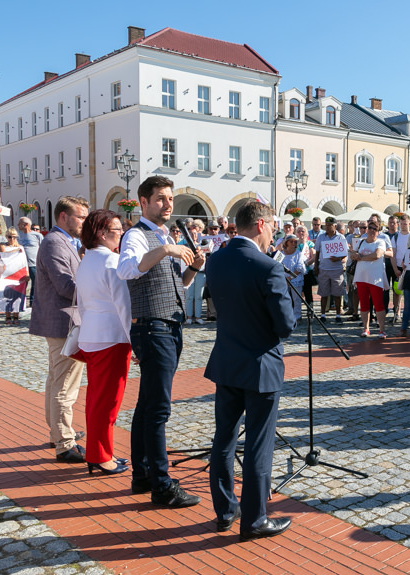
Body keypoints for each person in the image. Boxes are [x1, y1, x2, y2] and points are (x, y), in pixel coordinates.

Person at [206, 200, 295, 540]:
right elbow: (285, 325)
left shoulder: (216, 260)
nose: (274, 230)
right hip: (260, 365)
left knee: (224, 439)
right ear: (260, 225)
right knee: (259, 443)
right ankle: (255, 519)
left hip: (227, 360)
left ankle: (225, 510)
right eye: (272, 224)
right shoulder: (266, 267)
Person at [117, 175, 204, 506]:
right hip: (153, 328)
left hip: (165, 325)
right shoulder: (137, 236)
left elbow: (173, 288)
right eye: (160, 199)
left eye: (170, 199)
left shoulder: (160, 236)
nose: (168, 204)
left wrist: (194, 269)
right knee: (158, 409)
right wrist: (166, 249)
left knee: (147, 404)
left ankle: (142, 474)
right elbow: (127, 270)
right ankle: (162, 484)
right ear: (144, 202)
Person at [28, 196, 90, 461]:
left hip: (63, 321)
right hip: (64, 323)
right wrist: (99, 290)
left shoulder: (67, 242)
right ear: (63, 217)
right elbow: (66, 286)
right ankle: (64, 443)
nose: (85, 223)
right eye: (81, 217)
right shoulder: (55, 242)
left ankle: (58, 433)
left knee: (56, 380)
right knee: (65, 384)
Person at [76, 210, 132, 476]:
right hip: (111, 337)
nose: (120, 233)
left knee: (95, 399)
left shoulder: (86, 260)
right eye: (117, 229)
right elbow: (124, 306)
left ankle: (99, 452)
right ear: (101, 232)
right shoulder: (112, 261)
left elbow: (83, 302)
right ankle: (100, 456)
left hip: (92, 334)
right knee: (107, 402)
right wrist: (136, 342)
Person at [350, 220, 388, 338]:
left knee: (378, 304)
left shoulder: (381, 242)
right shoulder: (361, 242)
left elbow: (377, 255)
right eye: (370, 228)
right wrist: (355, 254)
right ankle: (366, 329)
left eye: (375, 229)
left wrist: (361, 257)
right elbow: (353, 254)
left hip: (375, 278)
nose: (372, 230)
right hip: (361, 277)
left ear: (378, 231)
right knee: (364, 304)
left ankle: (382, 330)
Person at [312, 217, 347, 323]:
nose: (327, 227)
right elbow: (317, 252)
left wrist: (338, 258)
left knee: (337, 294)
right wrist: (316, 266)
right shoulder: (321, 237)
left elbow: (345, 253)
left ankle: (338, 315)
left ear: (335, 226)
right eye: (326, 225)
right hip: (324, 269)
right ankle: (322, 314)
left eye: (329, 225)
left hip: (337, 269)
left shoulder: (341, 237)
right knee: (324, 293)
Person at [0, 227, 28, 325]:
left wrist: (27, 274)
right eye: (9, 237)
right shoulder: (4, 246)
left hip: (18, 274)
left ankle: (16, 316)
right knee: (7, 296)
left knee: (17, 296)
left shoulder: (21, 248)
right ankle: (7, 316)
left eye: (14, 237)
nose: (12, 239)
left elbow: (24, 261)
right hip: (6, 274)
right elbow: (3, 254)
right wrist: (16, 250)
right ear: (6, 237)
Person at [280, 235, 306, 324]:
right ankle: (285, 317)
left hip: (295, 279)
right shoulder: (280, 254)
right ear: (286, 243)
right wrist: (283, 278)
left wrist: (290, 277)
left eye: (295, 242)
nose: (293, 243)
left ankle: (297, 316)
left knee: (296, 299)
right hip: (283, 280)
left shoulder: (298, 253)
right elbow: (275, 265)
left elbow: (299, 267)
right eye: (291, 241)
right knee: (283, 299)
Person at [17, 217, 44, 306]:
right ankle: (20, 302)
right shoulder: (18, 236)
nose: (18, 225)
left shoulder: (37, 235)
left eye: (19, 223)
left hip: (33, 263)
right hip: (21, 264)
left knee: (35, 282)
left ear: (25, 225)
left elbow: (43, 248)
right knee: (21, 284)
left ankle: (33, 302)